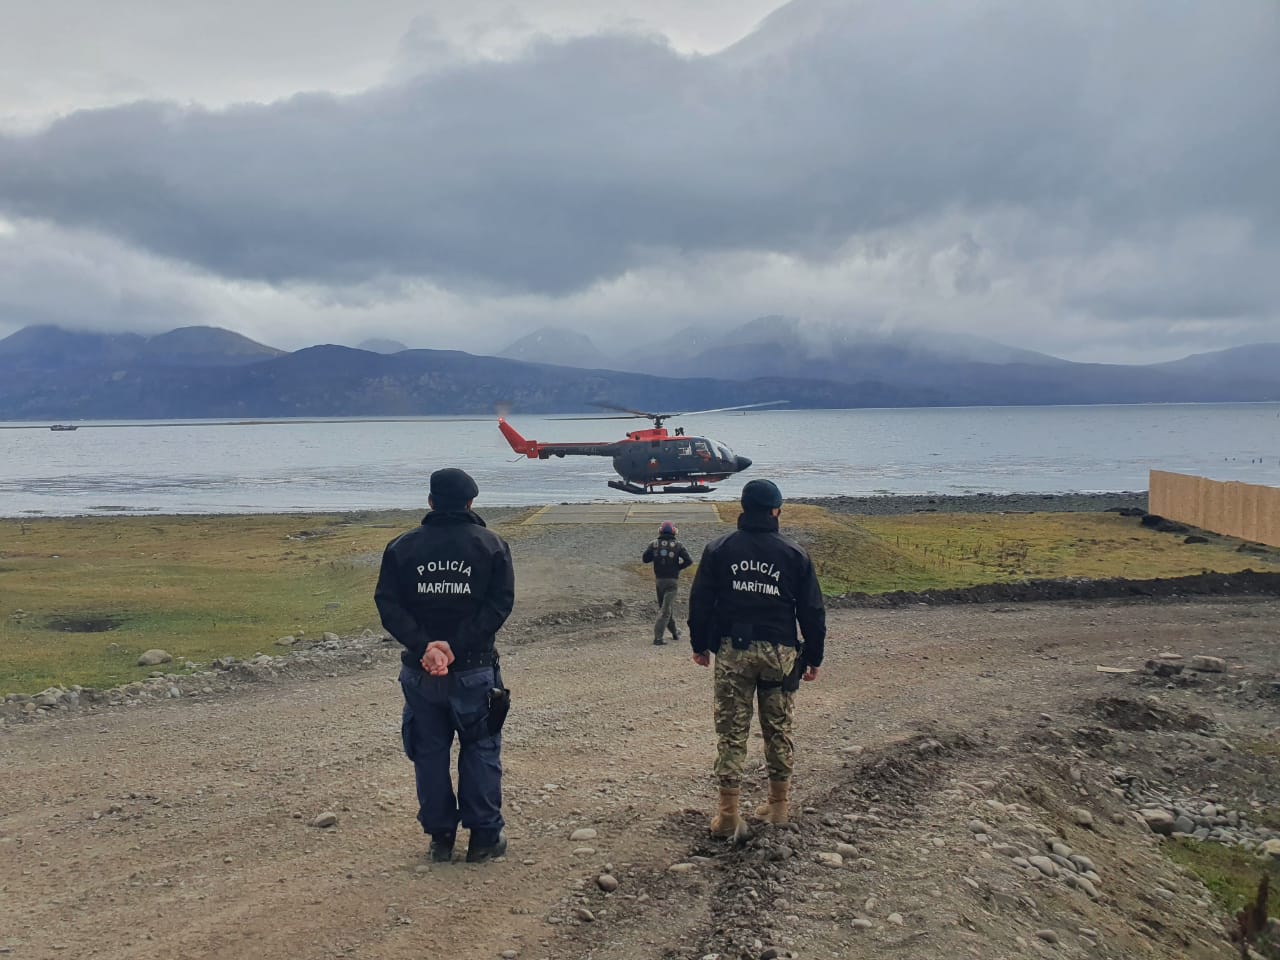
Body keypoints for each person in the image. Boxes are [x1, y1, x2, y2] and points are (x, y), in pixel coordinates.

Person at [374, 467, 516, 864]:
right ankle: (485, 838)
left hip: (421, 673)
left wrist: (426, 647)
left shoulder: (401, 547)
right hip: (474, 668)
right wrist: (454, 647)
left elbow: (388, 605)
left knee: (429, 752)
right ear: (471, 503)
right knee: (480, 747)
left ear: (431, 502)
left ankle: (440, 838)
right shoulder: (492, 545)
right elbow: (499, 605)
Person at [687, 478, 826, 840]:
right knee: (778, 728)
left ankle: (728, 815)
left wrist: (700, 645)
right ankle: (778, 806)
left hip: (734, 649)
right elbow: (811, 610)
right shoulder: (794, 553)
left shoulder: (719, 549)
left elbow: (700, 601)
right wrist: (814, 655)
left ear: (743, 510)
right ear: (776, 510)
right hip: (780, 652)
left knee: (732, 731)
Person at [641, 520, 694, 645]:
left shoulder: (653, 544)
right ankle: (658, 638)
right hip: (672, 581)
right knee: (666, 610)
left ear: (660, 531)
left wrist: (656, 557)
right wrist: (677, 568)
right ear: (674, 531)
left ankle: (675, 632)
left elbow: (645, 559)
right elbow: (689, 561)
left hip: (659, 581)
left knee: (665, 608)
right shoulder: (678, 545)